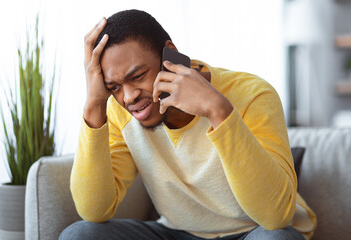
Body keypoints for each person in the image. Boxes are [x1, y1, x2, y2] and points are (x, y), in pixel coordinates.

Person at [60, 9, 316, 240]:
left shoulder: (253, 94)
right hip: (176, 233)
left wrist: (218, 111)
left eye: (138, 76)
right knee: (80, 234)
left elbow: (275, 217)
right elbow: (93, 211)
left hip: (252, 232)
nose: (128, 97)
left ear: (170, 53)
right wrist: (94, 104)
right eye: (114, 87)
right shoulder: (119, 110)